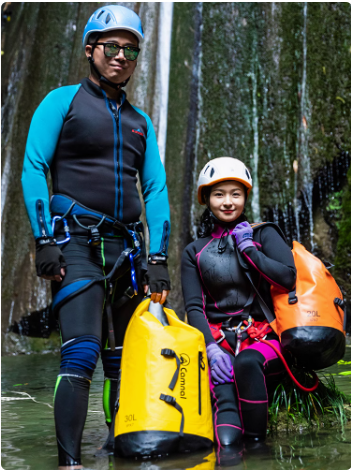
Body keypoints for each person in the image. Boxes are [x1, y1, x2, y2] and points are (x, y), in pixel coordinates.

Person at [21, 5, 171, 469]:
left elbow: (156, 188)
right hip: (77, 244)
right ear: (91, 49)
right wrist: (45, 239)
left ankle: (118, 453)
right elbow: (33, 166)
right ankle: (69, 464)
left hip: (127, 251)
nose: (122, 56)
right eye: (112, 46)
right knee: (81, 354)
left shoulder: (141, 121)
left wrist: (158, 256)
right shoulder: (60, 102)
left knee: (122, 361)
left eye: (131, 49)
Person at [181, 157, 296, 447]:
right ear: (206, 199)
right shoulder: (193, 252)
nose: (228, 201)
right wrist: (210, 348)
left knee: (245, 363)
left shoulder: (264, 234)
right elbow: (194, 307)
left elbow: (288, 278)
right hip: (219, 341)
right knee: (227, 430)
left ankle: (258, 450)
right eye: (219, 194)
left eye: (236, 193)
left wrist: (250, 251)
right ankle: (230, 457)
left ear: (246, 196)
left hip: (264, 337)